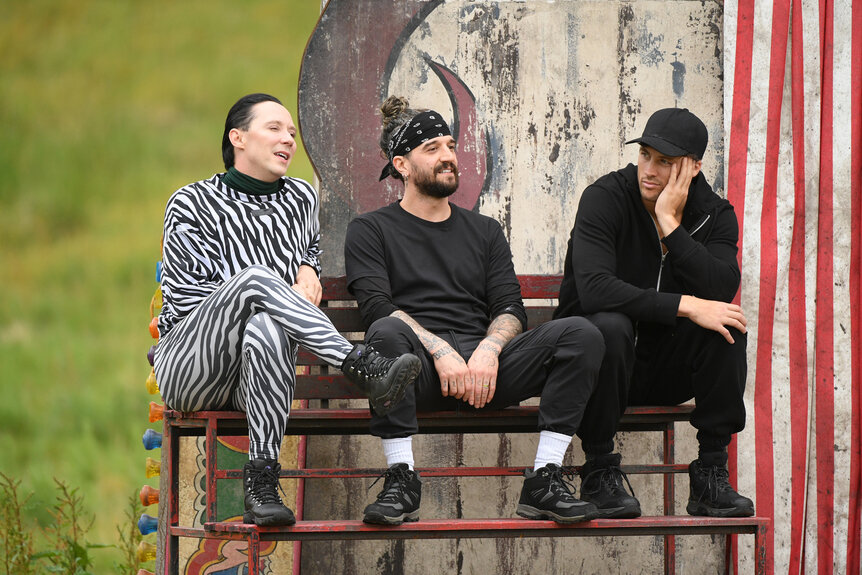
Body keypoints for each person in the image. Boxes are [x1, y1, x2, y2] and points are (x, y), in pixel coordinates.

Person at [154, 93, 421, 527]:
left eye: (292, 133)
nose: (288, 140)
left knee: (267, 327)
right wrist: (264, 285)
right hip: (194, 364)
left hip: (258, 374)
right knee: (257, 282)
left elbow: (307, 249)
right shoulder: (190, 203)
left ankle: (261, 483)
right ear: (237, 137)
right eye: (274, 128)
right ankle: (358, 364)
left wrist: (308, 267)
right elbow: (187, 301)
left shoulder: (300, 197)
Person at [344, 96, 606, 526]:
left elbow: (508, 306)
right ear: (402, 165)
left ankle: (545, 477)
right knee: (386, 335)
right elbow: (378, 308)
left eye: (449, 145)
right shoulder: (371, 229)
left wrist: (489, 349)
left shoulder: (484, 230)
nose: (448, 156)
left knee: (582, 333)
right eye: (432, 149)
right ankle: (402, 478)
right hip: (419, 373)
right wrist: (441, 352)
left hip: (489, 375)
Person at [554, 107, 754, 518]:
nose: (649, 169)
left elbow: (720, 287)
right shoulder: (605, 197)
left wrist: (669, 224)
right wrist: (685, 305)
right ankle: (598, 470)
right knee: (609, 325)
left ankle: (710, 475)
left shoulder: (713, 214)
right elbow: (593, 290)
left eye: (666, 162)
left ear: (694, 167)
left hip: (661, 368)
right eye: (646, 154)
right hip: (595, 368)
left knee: (726, 324)